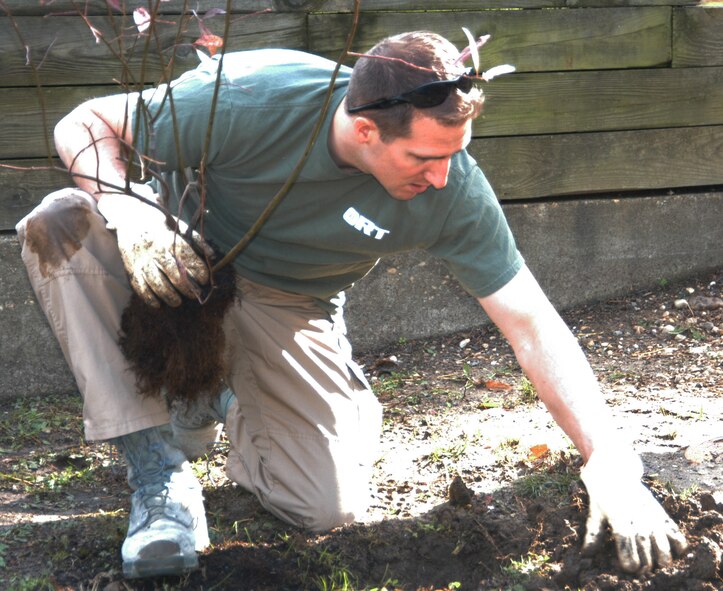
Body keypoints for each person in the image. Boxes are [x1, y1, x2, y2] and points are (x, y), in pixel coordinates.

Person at [16, 31, 687, 579]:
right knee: (59, 220)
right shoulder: (251, 98)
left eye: (455, 155)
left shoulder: (452, 189)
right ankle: (157, 474)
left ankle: (213, 391)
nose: (441, 177)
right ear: (365, 131)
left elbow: (531, 322)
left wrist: (606, 455)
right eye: (423, 157)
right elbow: (86, 120)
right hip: (174, 259)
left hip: (288, 301)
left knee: (321, 507)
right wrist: (126, 209)